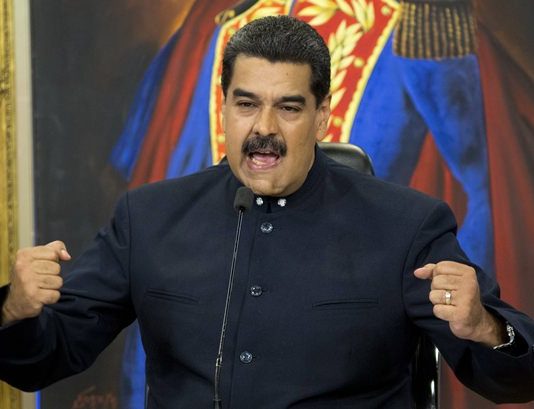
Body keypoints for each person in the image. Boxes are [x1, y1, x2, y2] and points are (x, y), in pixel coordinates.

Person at [1, 15, 533, 408]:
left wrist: (486, 327)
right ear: (225, 107)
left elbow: (517, 377)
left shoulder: (408, 226)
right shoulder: (148, 218)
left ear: (322, 117)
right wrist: (14, 311)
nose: (264, 129)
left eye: (289, 107)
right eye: (247, 103)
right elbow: (45, 359)